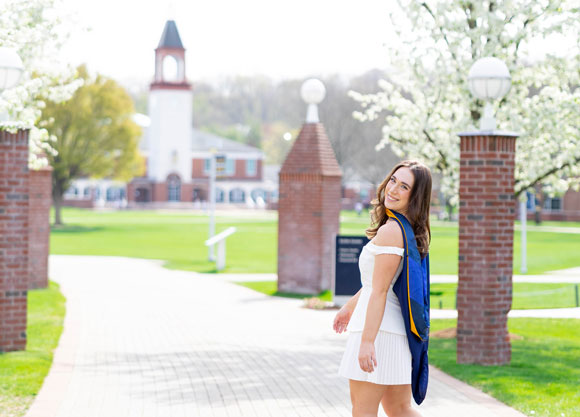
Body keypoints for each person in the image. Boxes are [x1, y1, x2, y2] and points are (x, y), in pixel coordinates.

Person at [333, 160, 432, 417]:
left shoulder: (391, 231)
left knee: (363, 411)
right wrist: (349, 306)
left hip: (377, 332)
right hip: (392, 330)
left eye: (404, 186)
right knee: (399, 409)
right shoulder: (405, 229)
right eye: (393, 181)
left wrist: (367, 341)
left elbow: (379, 291)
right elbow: (378, 284)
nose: (393, 189)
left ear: (415, 196)